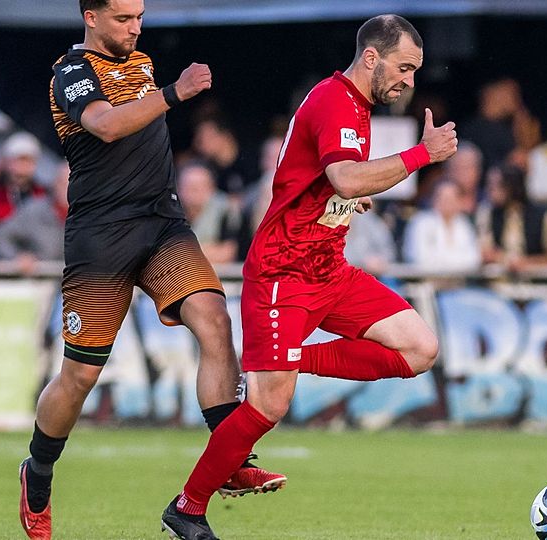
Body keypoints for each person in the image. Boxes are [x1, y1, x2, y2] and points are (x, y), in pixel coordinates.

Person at [159, 15, 457, 539]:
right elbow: (344, 175)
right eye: (404, 68)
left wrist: (341, 200)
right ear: (371, 57)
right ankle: (187, 508)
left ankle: (293, 359)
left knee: (420, 348)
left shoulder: (355, 106)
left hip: (329, 269)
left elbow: (325, 178)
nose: (409, 81)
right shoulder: (336, 100)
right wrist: (421, 155)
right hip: (284, 272)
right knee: (269, 405)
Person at [18, 1, 284, 539]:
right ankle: (38, 470)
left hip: (162, 223)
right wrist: (174, 93)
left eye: (139, 16)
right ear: (91, 17)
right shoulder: (71, 72)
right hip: (101, 235)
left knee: (214, 318)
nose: (136, 28)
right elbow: (106, 126)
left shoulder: (140, 63)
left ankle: (231, 458)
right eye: (123, 18)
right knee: (81, 375)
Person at [475, 164, 547, 270]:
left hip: (536, 278)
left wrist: (526, 263)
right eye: (489, 185)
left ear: (512, 187)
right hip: (498, 278)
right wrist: (507, 260)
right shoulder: (487, 214)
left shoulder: (546, 216)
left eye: (497, 186)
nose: (490, 191)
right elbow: (486, 253)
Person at [0, 161, 70, 274]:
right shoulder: (34, 210)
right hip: (39, 280)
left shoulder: (92, 215)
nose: (67, 189)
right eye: (62, 183)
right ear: (54, 184)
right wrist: (17, 257)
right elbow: (0, 236)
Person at [403, 179, 481, 272]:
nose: (447, 203)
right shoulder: (420, 222)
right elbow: (420, 257)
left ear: (459, 201)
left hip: (459, 279)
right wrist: (456, 259)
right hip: (426, 278)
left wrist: (443, 259)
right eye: (443, 198)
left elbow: (474, 258)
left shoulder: (464, 223)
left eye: (451, 199)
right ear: (434, 199)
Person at [0, 131, 47, 228]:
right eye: (18, 161)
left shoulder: (42, 194)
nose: (22, 168)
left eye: (28, 162)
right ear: (6, 162)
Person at [175, 161, 240, 264]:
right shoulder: (168, 212)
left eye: (202, 186)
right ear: (178, 189)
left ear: (212, 188)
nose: (196, 192)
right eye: (190, 187)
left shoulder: (225, 209)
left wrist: (182, 252)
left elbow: (227, 253)